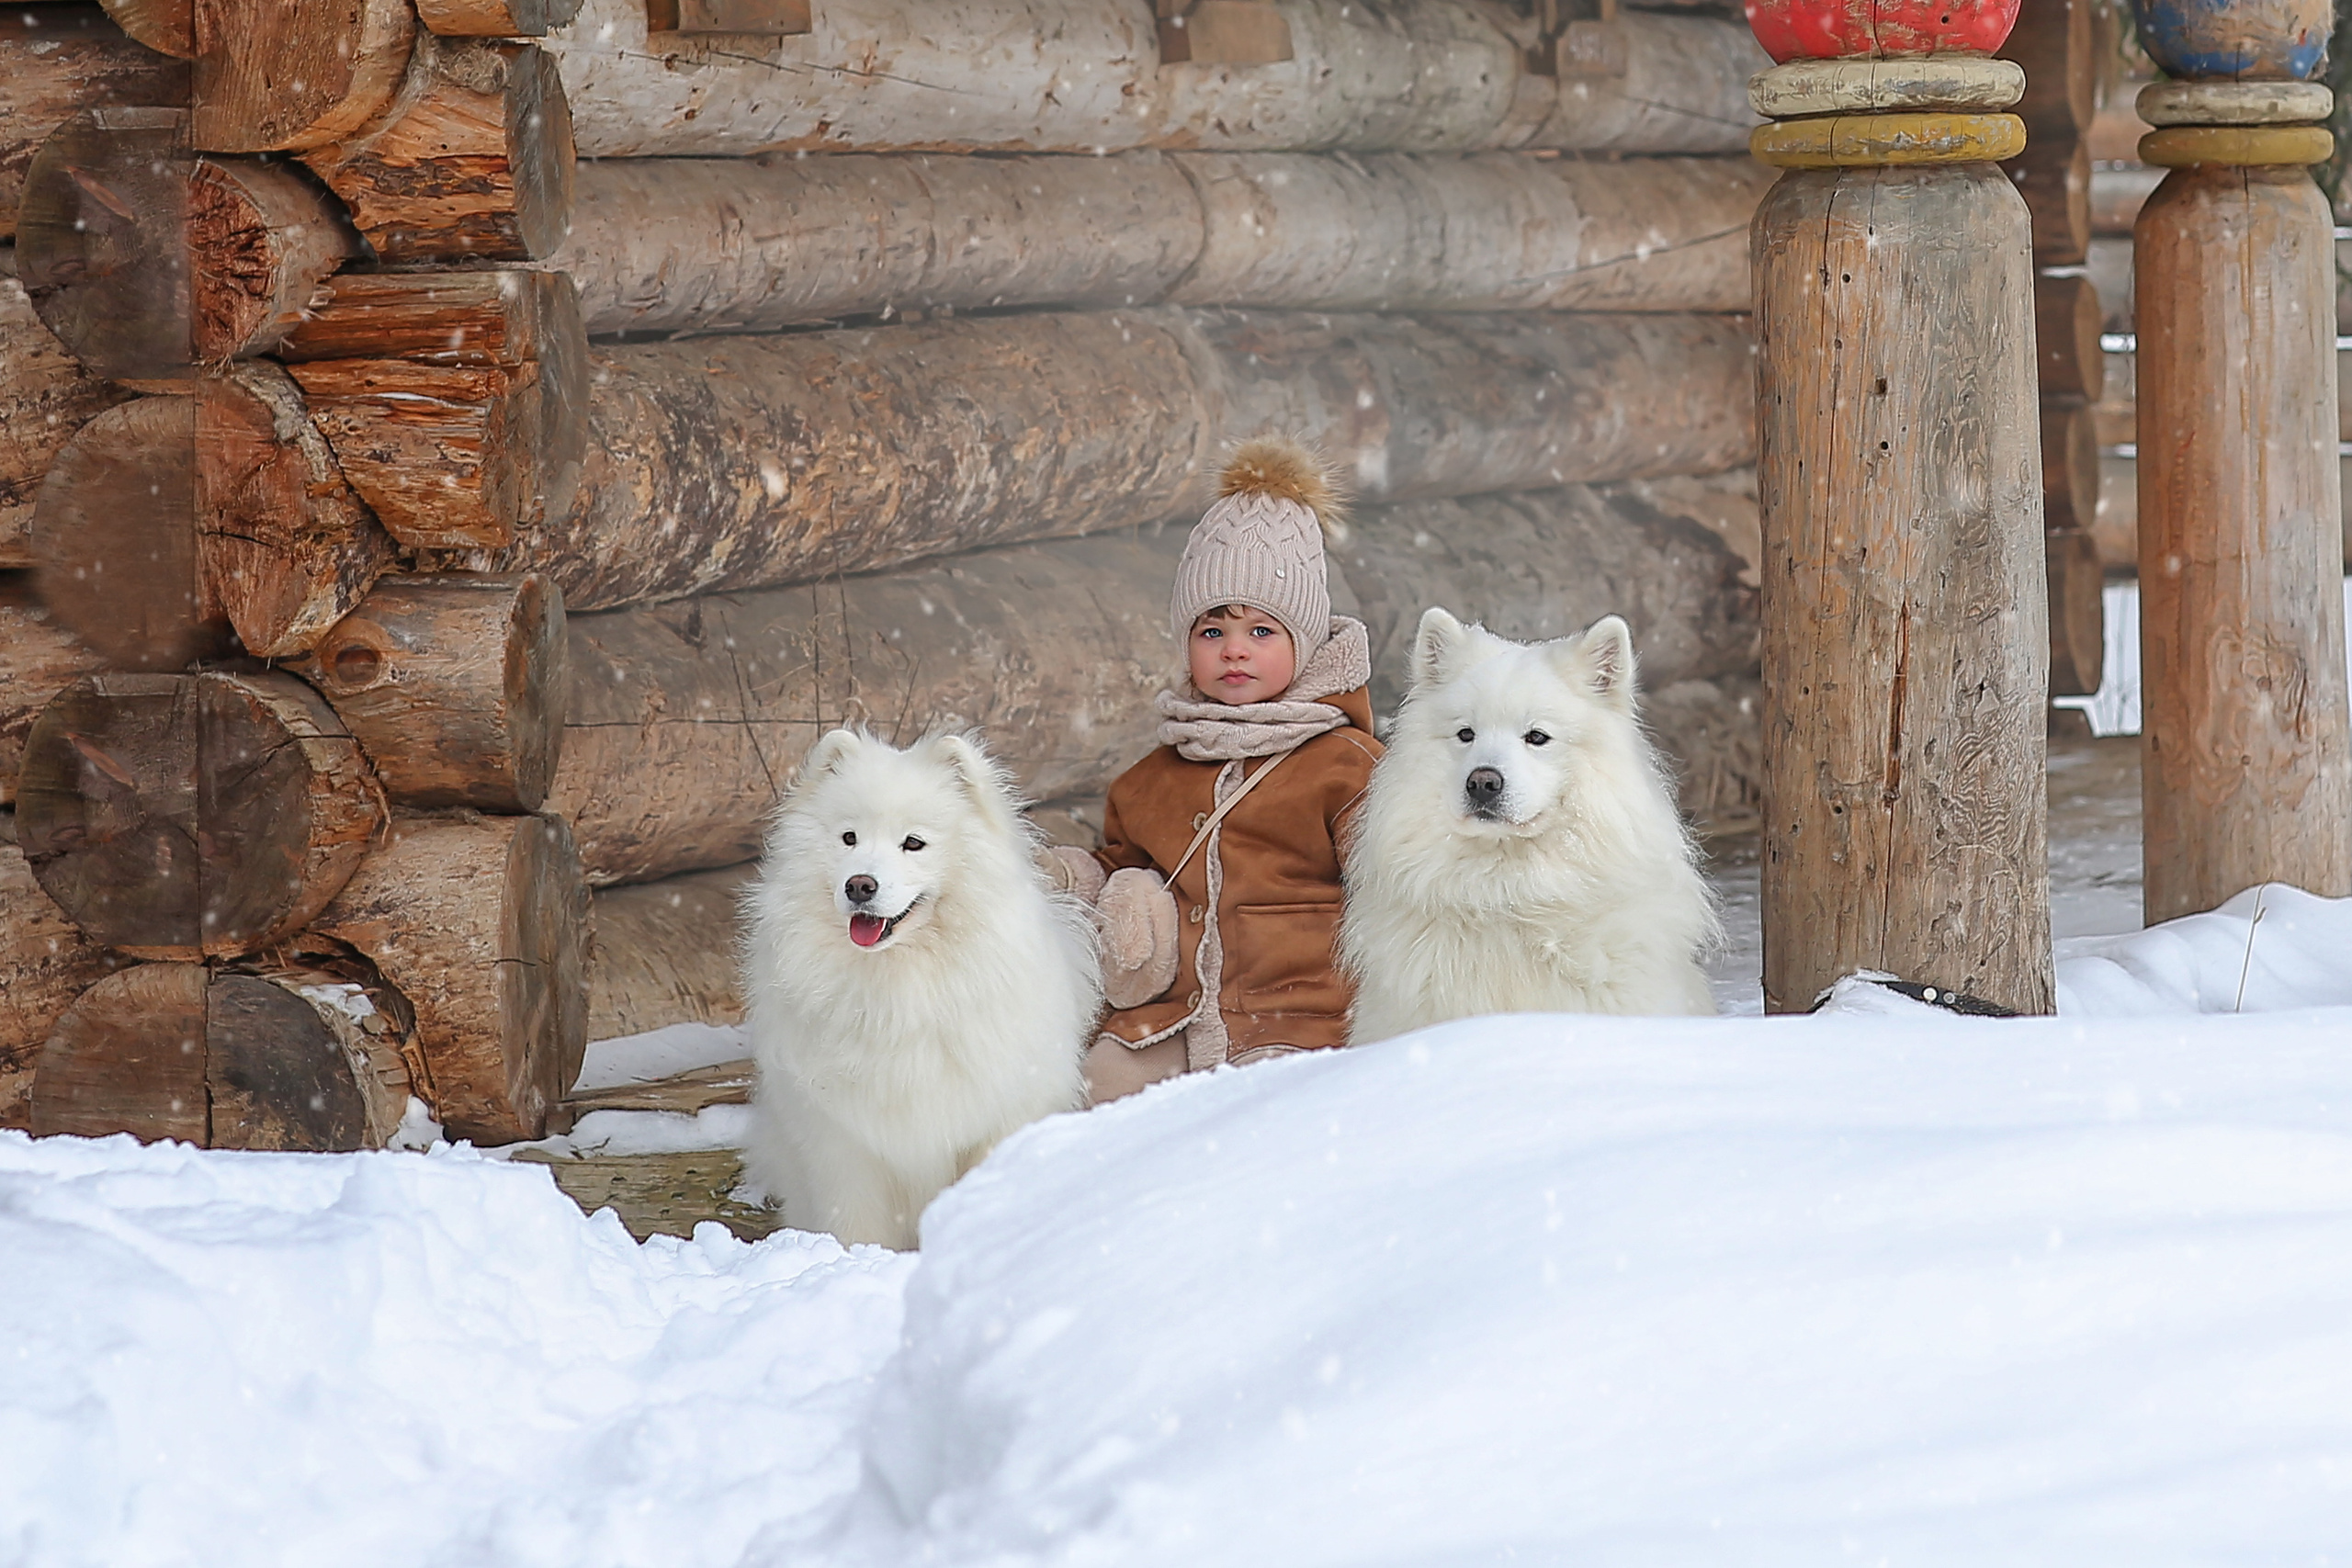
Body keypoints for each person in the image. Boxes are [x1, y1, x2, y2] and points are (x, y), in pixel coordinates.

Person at [1049, 436, 1383, 1104]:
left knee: (1266, 1122)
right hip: (1171, 1019)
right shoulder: (1152, 777)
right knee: (1095, 1089)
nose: (1234, 650)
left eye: (1262, 632)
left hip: (1302, 1020)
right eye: (1212, 631)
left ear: (1305, 643)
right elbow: (1124, 867)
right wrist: (1071, 878)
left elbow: (1395, 889)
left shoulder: (1346, 769)